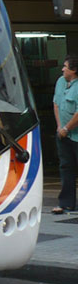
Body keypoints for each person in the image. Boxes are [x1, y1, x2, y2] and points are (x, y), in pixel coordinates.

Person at [52, 55, 78, 214]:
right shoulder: (61, 82)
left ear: (74, 70)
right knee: (66, 167)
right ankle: (66, 203)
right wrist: (59, 127)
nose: (62, 69)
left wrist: (67, 128)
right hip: (63, 134)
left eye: (65, 67)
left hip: (73, 133)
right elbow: (56, 103)